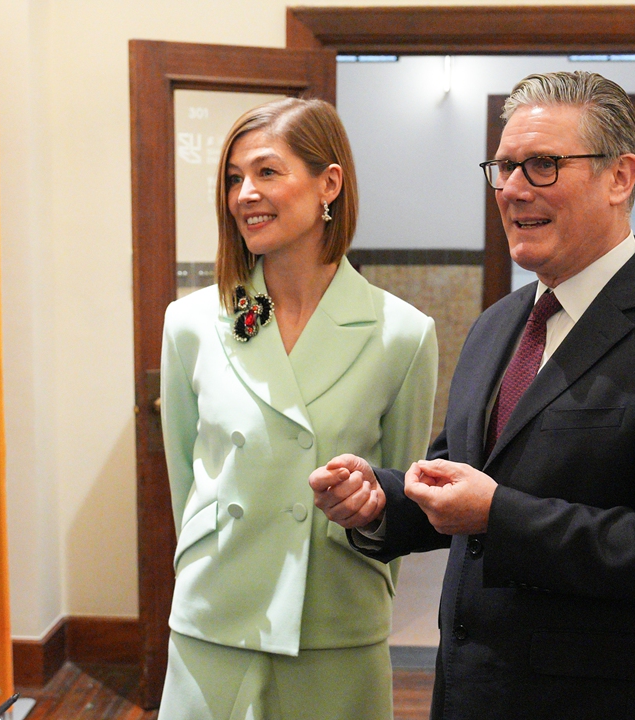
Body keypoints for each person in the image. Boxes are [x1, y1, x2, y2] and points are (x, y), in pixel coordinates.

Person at [310, 71, 635, 718]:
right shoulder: (498, 324)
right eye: (504, 166)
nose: (515, 188)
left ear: (620, 176)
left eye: (544, 165)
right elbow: (460, 479)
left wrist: (500, 514)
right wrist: (379, 500)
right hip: (473, 694)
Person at [159, 98, 438, 719]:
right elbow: (186, 476)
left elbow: (398, 495)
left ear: (328, 184)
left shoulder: (402, 333)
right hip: (214, 620)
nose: (244, 194)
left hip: (334, 622)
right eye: (233, 178)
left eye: (266, 172)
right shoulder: (193, 323)